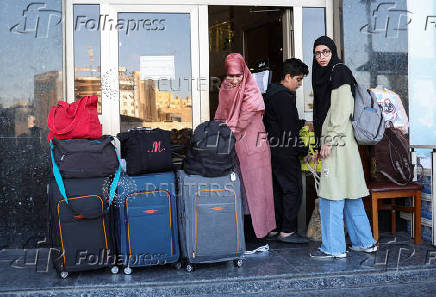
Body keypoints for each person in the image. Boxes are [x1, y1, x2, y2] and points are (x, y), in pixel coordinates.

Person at [309, 36, 377, 258]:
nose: (321, 57)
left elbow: (341, 109)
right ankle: (365, 242)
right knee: (350, 194)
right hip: (343, 142)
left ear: (333, 52)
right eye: (317, 53)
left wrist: (329, 140)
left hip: (337, 141)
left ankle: (334, 247)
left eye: (326, 52)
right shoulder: (331, 73)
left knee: (332, 195)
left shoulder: (338, 72)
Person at [214, 53, 276, 239]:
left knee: (255, 191)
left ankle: (258, 239)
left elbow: (242, 121)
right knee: (239, 190)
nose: (233, 80)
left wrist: (223, 133)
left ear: (244, 73)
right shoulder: (225, 88)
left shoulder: (251, 90)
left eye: (237, 75)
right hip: (233, 147)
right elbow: (220, 113)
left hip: (253, 148)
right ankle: (244, 236)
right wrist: (214, 129)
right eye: (230, 75)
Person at [263, 58, 310, 244]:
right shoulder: (283, 97)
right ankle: (288, 231)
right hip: (285, 151)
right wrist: (303, 150)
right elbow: (289, 129)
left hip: (273, 149)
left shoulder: (270, 94)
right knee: (292, 190)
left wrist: (303, 123)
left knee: (277, 190)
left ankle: (276, 228)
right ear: (288, 77)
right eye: (298, 79)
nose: (299, 84)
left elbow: (278, 122)